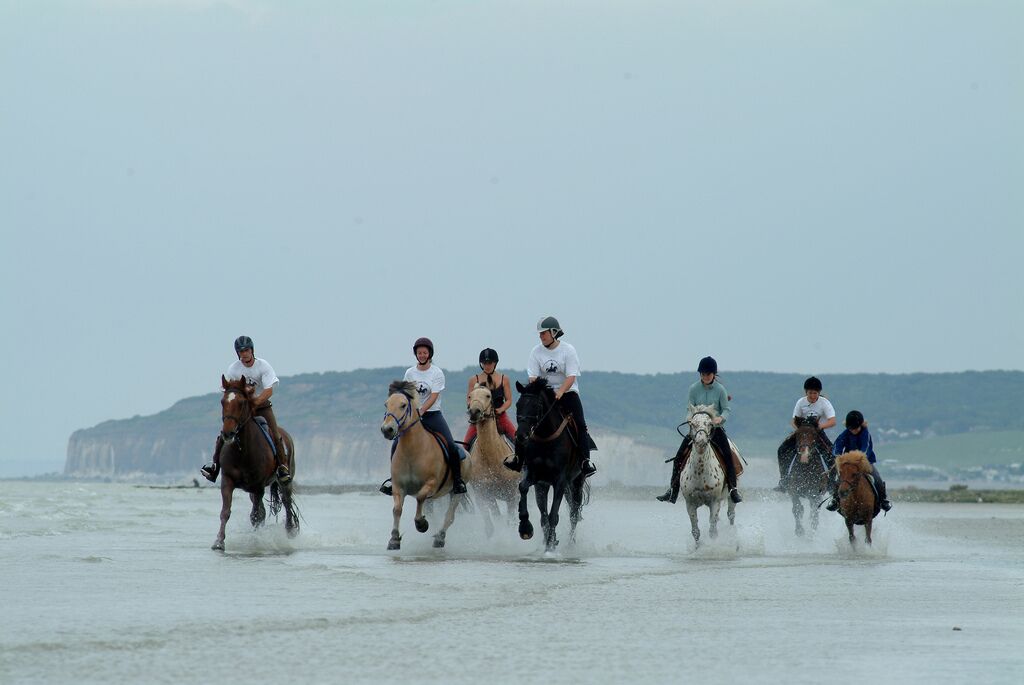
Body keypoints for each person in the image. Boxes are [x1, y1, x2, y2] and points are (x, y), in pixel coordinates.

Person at [504, 316, 597, 477]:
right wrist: (543, 392)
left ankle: (584, 461)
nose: (541, 336)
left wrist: (560, 391)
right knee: (525, 422)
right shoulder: (536, 351)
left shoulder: (568, 350)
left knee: (581, 425)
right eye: (540, 334)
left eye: (544, 333)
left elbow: (571, 376)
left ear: (554, 333)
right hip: (544, 395)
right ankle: (518, 460)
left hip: (567, 393)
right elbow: (533, 377)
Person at [379, 337, 467, 496]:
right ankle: (394, 480)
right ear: (416, 354)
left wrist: (422, 411)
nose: (422, 355)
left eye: (424, 352)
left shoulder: (436, 372)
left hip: (433, 415)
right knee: (396, 444)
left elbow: (433, 396)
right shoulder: (410, 372)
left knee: (450, 445)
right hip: (413, 417)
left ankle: (458, 481)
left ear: (429, 354)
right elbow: (404, 395)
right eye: (419, 352)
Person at [201, 336, 291, 484]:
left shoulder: (263, 366)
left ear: (252, 350)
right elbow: (229, 389)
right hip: (242, 409)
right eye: (241, 351)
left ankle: (282, 467)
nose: (244, 354)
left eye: (247, 350)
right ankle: (214, 466)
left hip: (261, 406)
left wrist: (256, 401)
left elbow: (269, 390)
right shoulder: (234, 369)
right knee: (225, 433)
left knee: (275, 433)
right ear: (237, 353)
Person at [656, 356, 742, 504]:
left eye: (708, 374)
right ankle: (672, 491)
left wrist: (720, 419)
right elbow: (689, 409)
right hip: (696, 430)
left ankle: (733, 489)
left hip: (714, 429)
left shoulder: (720, 390)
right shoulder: (694, 389)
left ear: (713, 374)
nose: (705, 376)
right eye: (702, 374)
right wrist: (689, 419)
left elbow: (726, 409)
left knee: (728, 456)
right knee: (678, 458)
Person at [775, 376, 836, 490]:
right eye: (810, 393)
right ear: (806, 392)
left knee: (833, 454)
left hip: (817, 432)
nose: (813, 396)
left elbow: (832, 421)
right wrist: (799, 429)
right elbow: (793, 420)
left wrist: (820, 426)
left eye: (815, 393)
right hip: (802, 432)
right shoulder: (801, 402)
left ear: (819, 392)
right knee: (782, 450)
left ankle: (832, 483)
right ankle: (784, 480)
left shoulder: (825, 403)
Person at [827, 410, 892, 512]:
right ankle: (835, 500)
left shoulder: (865, 434)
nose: (854, 431)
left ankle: (883, 500)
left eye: (856, 428)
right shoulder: (845, 433)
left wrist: (856, 459)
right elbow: (837, 446)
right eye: (851, 429)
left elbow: (865, 449)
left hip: (865, 462)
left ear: (860, 426)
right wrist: (839, 456)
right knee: (838, 479)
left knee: (877, 477)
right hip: (848, 464)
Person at [463, 348, 516, 449]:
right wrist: (475, 409)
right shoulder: (474, 380)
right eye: (484, 363)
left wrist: (500, 410)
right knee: (465, 445)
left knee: (517, 440)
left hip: (500, 416)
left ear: (495, 363)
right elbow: (469, 399)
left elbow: (509, 400)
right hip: (479, 418)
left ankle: (523, 463)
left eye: (489, 363)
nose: (487, 366)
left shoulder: (504, 379)